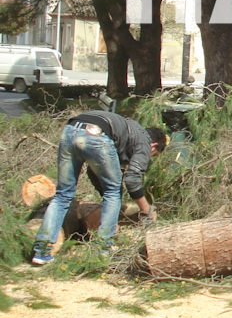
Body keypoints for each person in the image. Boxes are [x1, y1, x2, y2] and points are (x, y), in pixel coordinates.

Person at [31, 111, 167, 265]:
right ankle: (103, 249)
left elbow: (93, 172)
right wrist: (146, 210)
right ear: (154, 146)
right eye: (153, 155)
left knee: (63, 194)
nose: (148, 158)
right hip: (96, 134)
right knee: (114, 191)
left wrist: (111, 212)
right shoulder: (144, 141)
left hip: (70, 130)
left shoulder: (130, 130)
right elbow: (132, 180)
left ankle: (41, 252)